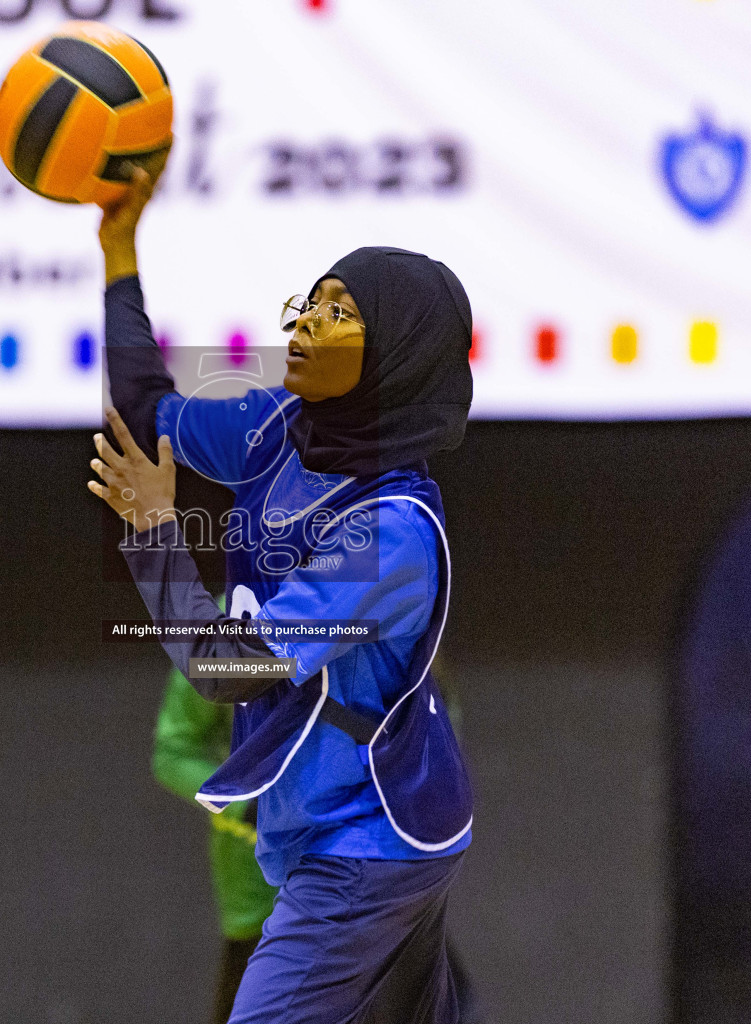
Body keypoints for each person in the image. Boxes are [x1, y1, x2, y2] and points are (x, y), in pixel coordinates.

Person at [90, 162, 477, 1022]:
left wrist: (157, 534)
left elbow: (229, 671)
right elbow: (146, 409)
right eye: (310, 299)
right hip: (332, 827)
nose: (306, 319)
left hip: (372, 839)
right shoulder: (274, 429)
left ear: (399, 352)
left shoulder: (391, 534)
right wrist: (119, 250)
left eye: (341, 310)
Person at [151, 659, 279, 1024]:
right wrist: (246, 805)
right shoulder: (220, 635)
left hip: (361, 875)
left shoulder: (355, 616)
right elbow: (172, 755)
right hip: (256, 890)